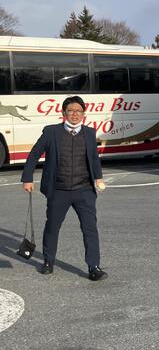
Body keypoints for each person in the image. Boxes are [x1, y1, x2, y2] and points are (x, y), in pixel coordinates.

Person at [21, 95, 107, 280]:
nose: (75, 114)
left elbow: (93, 158)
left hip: (84, 190)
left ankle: (94, 267)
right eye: (71, 110)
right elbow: (34, 154)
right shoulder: (51, 132)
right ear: (64, 113)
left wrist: (98, 178)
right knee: (52, 227)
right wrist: (27, 178)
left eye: (79, 111)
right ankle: (48, 261)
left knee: (90, 229)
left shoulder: (89, 133)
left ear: (84, 114)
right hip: (58, 190)